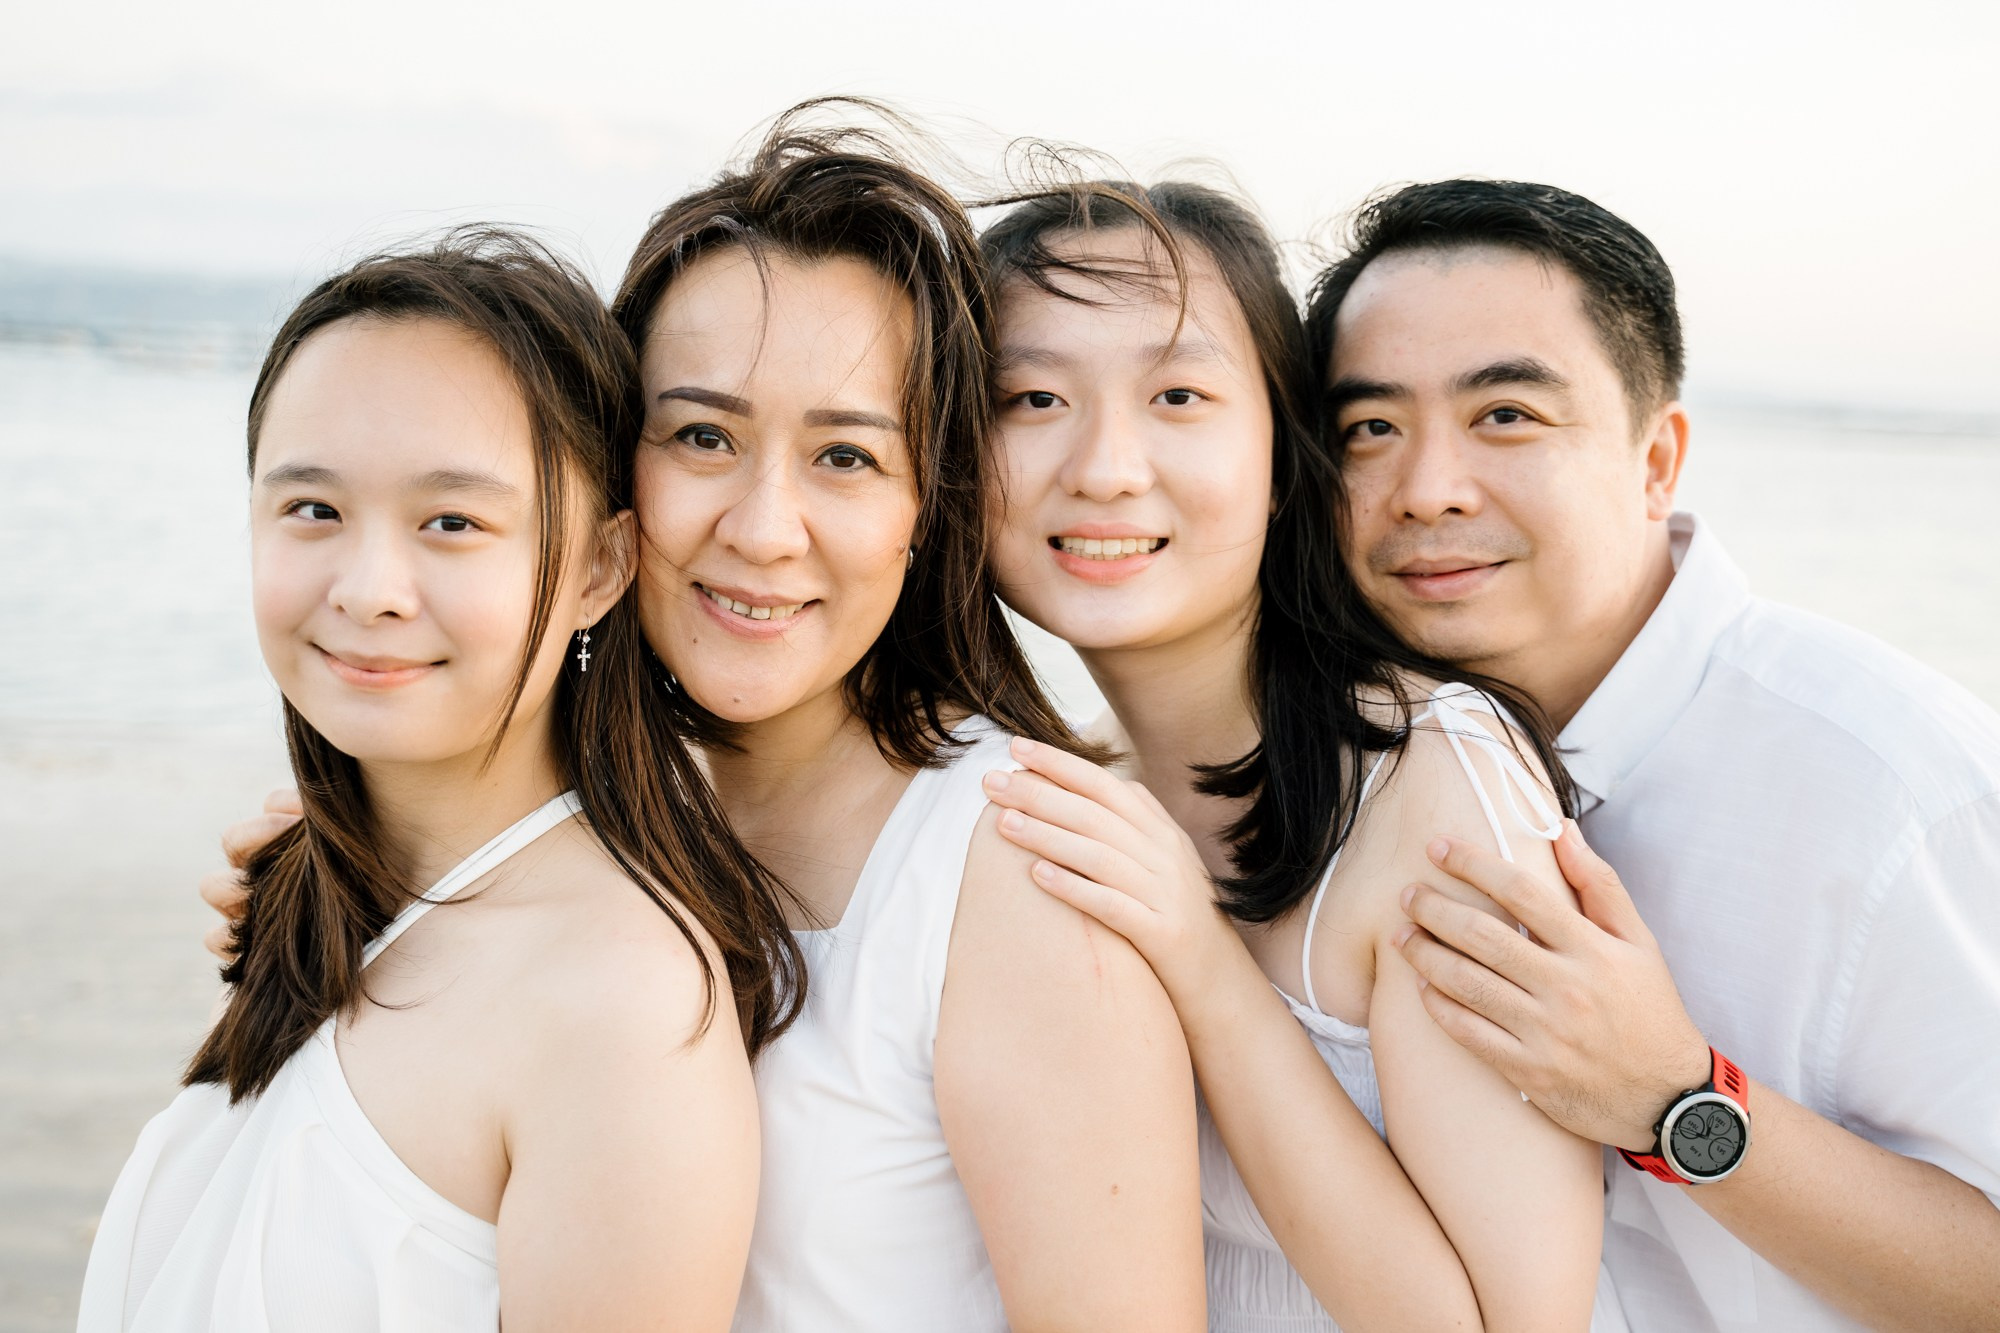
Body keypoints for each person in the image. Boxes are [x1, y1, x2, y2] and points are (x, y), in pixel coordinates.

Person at [202, 113, 1205, 1331]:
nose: (764, 526)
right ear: (604, 481)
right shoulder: (578, 828)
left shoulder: (1017, 873)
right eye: (703, 436)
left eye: (843, 457)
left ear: (923, 510)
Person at [1313, 180, 2000, 1331]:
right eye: (1368, 429)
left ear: (1654, 458)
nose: (1425, 490)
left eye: (1506, 417)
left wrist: (1673, 1098)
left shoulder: (1888, 784)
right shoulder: (1348, 762)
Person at [84, 230, 795, 1330]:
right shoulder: (338, 897)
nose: (368, 588)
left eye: (452, 522)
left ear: (599, 568)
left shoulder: (619, 1009)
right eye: (312, 508)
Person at [975, 180, 1611, 1330]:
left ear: (1283, 458)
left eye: (1177, 394)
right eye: (1030, 396)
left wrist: (1204, 968)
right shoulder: (1071, 787)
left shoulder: (1434, 787)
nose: (1106, 465)